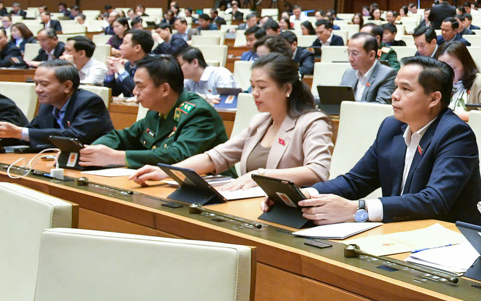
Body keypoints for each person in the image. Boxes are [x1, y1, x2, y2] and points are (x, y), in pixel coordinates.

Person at [295, 55, 481, 225]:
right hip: (397, 231)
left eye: (405, 89)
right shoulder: (391, 127)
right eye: (396, 87)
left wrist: (357, 210)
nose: (394, 95)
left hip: (446, 239)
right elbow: (356, 181)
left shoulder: (455, 134)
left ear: (434, 99)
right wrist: (307, 194)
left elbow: (434, 201)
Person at [129, 53, 334, 191]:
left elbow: (317, 171)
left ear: (287, 89)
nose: (254, 93)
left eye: (262, 87)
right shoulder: (259, 122)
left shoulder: (313, 122)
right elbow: (216, 157)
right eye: (252, 86)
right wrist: (166, 171)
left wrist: (260, 175)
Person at [81, 56, 228, 168]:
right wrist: (88, 151)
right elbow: (124, 136)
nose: (134, 92)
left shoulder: (199, 113)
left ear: (164, 89)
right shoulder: (156, 110)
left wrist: (117, 157)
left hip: (210, 188)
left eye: (140, 86)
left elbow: (178, 156)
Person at [0, 60, 113, 148]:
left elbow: (75, 136)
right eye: (36, 84)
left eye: (44, 84)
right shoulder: (46, 106)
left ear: (67, 86)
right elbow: (29, 134)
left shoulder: (89, 102)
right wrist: (8, 134)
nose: (38, 90)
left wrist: (19, 132)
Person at [438, 40, 481, 121]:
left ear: (465, 65)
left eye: (452, 68)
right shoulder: (437, 82)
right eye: (442, 69)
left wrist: (451, 116)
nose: (447, 73)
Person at [339, 32, 398, 104]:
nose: (350, 58)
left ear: (371, 55)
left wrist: (351, 105)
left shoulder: (388, 74)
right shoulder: (349, 73)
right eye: (348, 53)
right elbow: (338, 98)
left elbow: (381, 105)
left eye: (354, 53)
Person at [104, 28, 153, 98]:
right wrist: (110, 74)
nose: (120, 47)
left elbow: (140, 92)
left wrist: (121, 72)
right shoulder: (128, 66)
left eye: (125, 43)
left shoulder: (153, 67)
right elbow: (113, 93)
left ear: (137, 48)